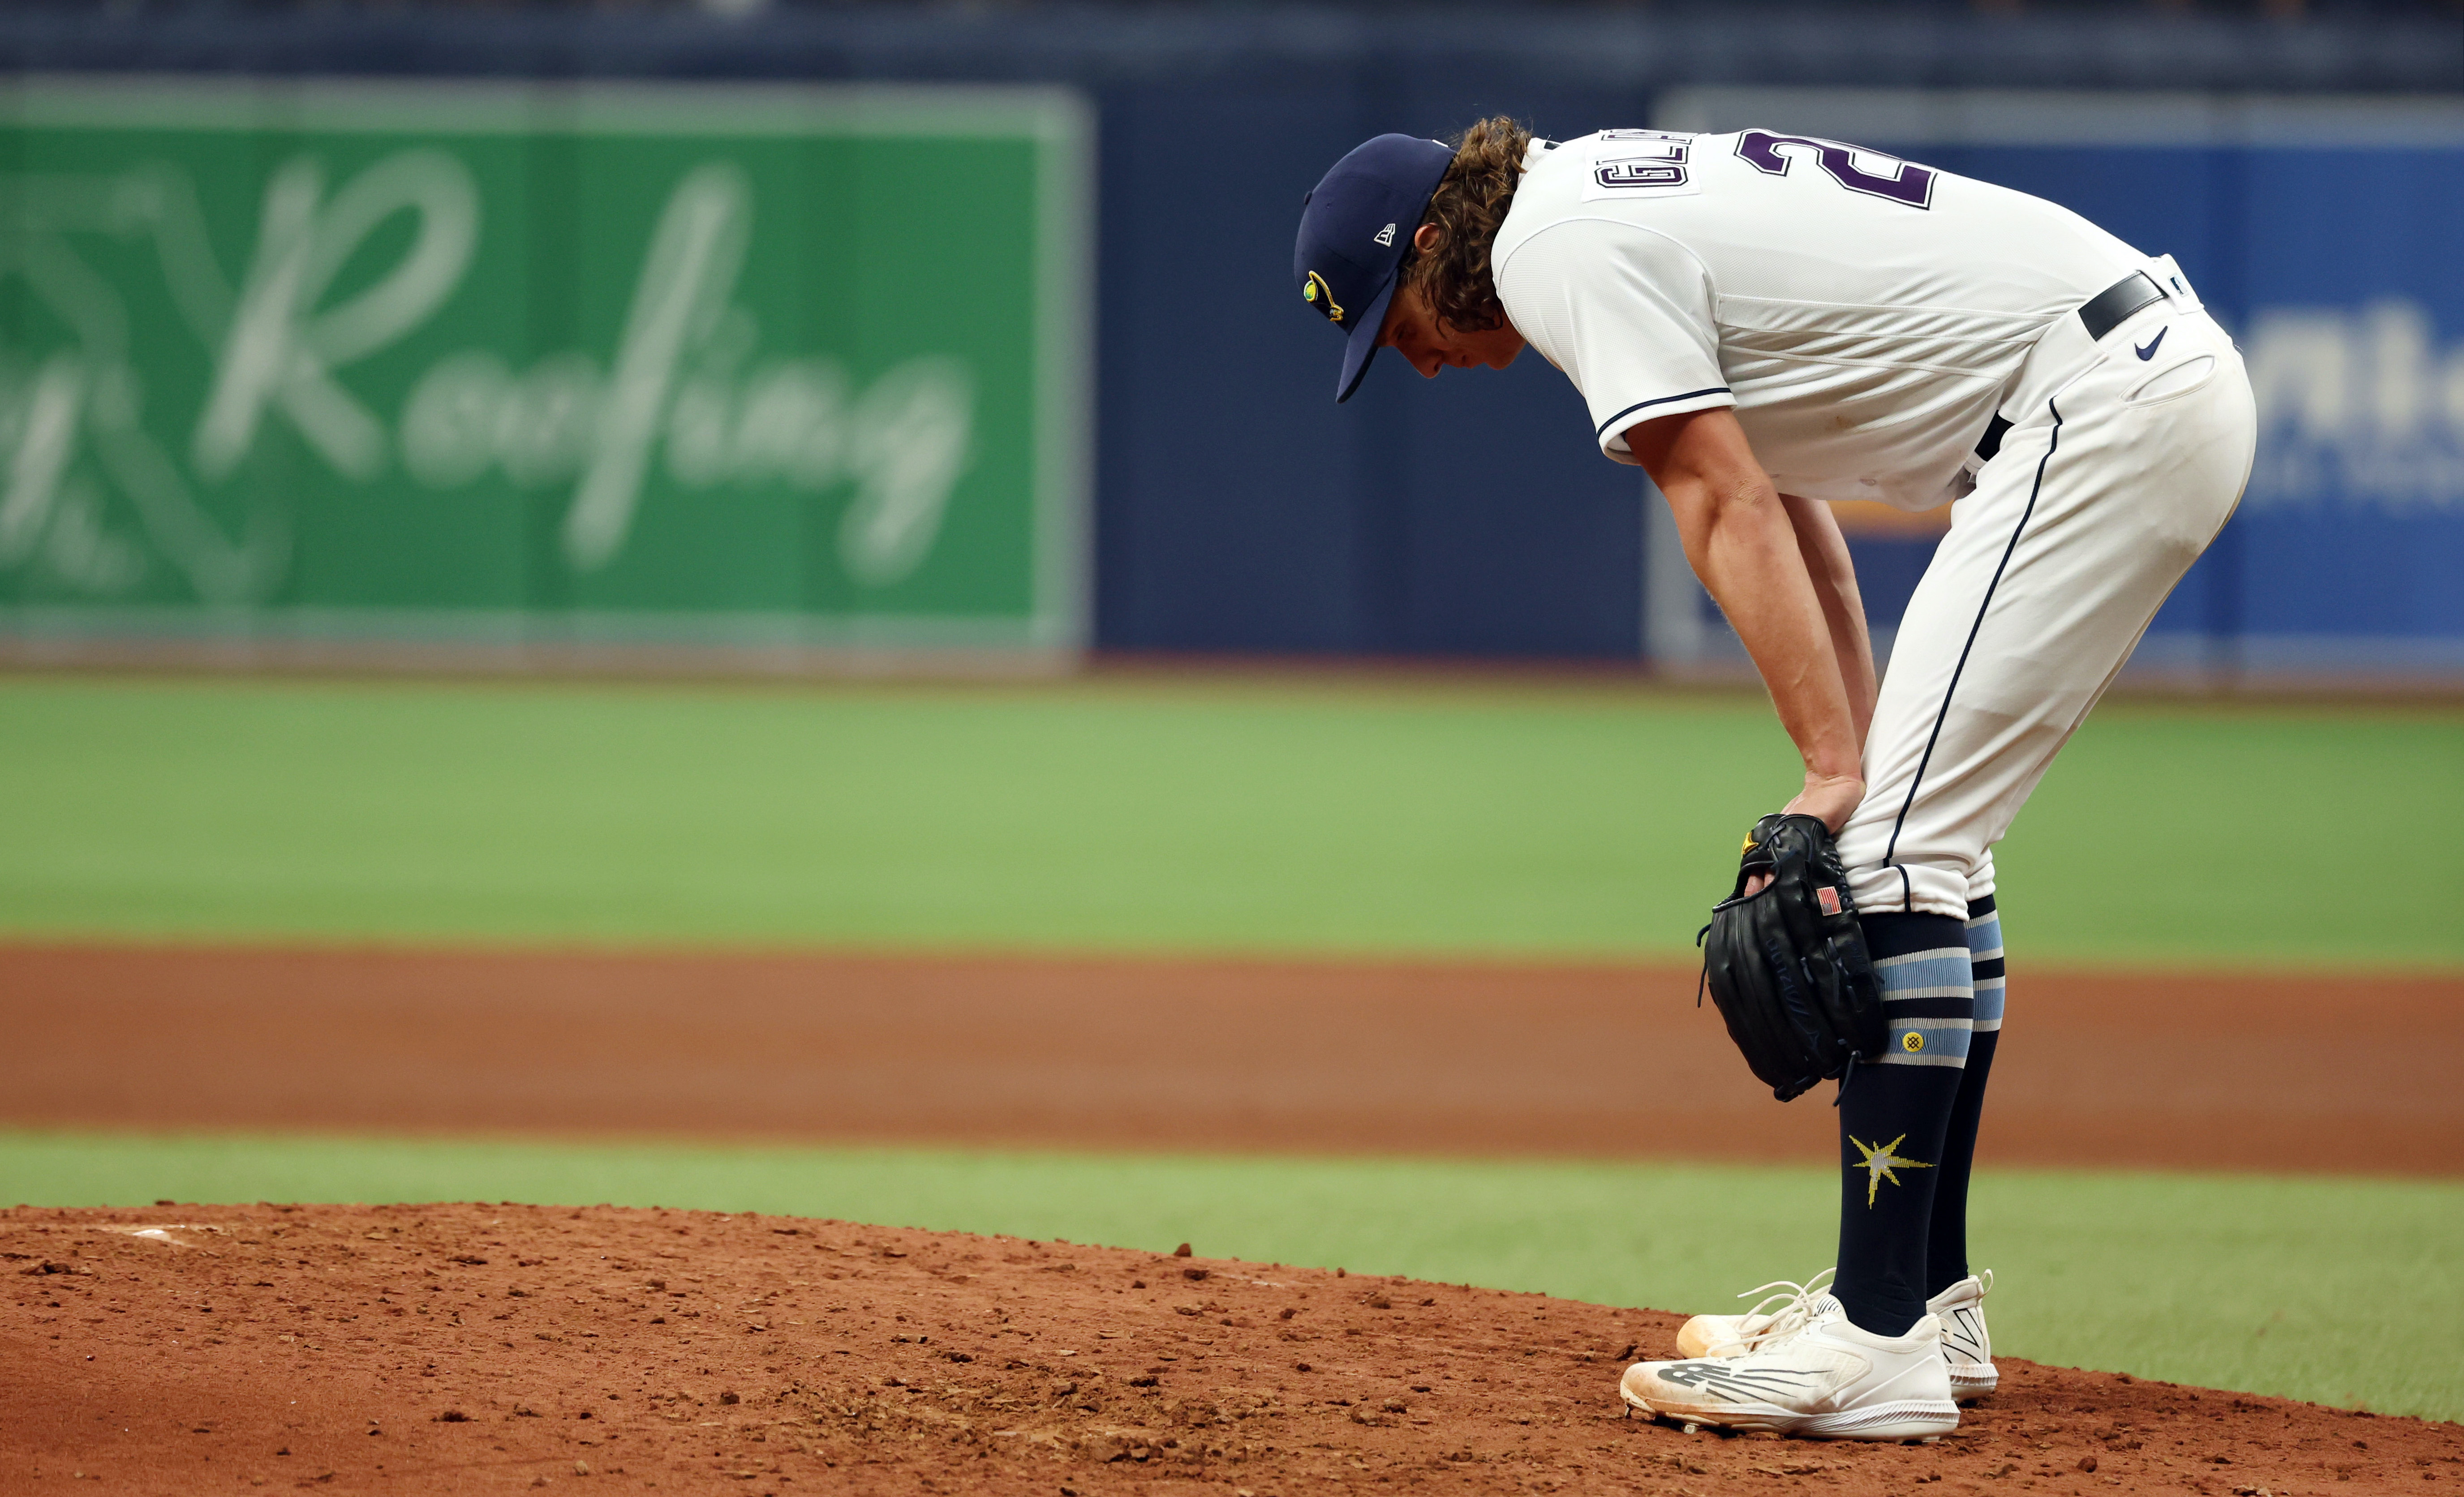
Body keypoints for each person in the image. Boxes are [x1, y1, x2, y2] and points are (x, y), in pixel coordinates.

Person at [1292, 120, 2255, 1441]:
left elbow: (1716, 501)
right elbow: (1796, 523)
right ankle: (1925, 1303)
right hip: (2132, 381)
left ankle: (1875, 1345)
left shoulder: (1551, 244)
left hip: (2096, 406)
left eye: (1391, 317)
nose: (1407, 355)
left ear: (1435, 246)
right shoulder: (1593, 206)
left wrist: (1832, 774)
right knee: (1918, 849)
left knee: (1900, 859)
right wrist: (1850, 770)